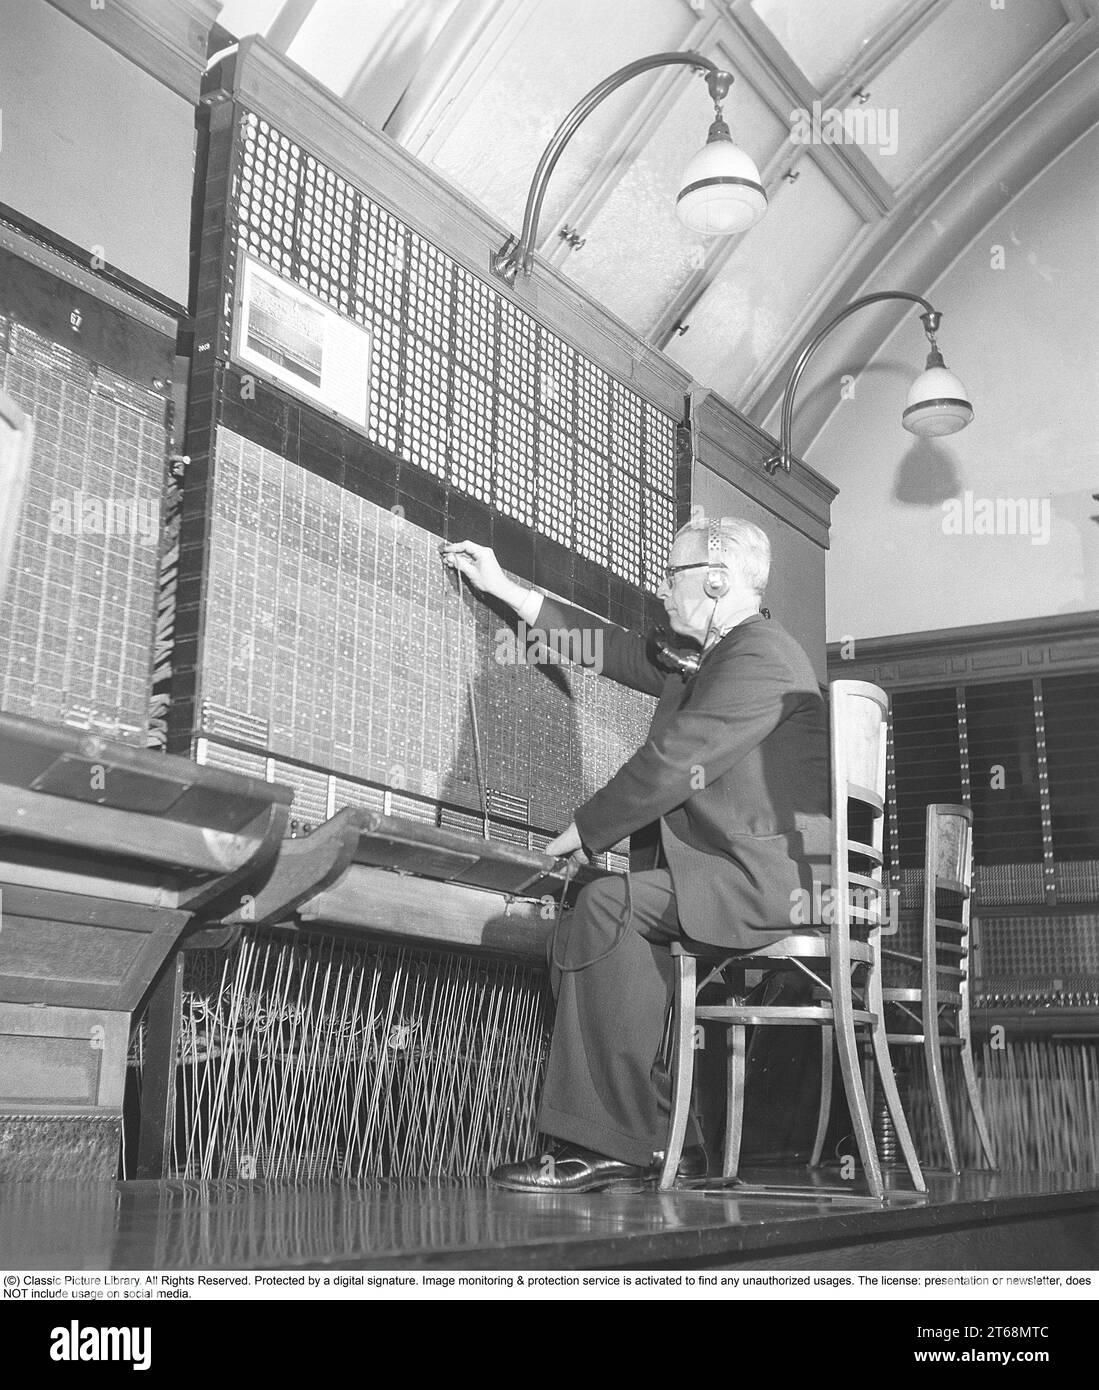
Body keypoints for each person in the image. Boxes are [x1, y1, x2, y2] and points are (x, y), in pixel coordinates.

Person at [441, 514, 830, 1192]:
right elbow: (611, 649)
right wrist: (504, 589)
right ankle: (655, 1140)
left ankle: (603, 1147)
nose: (658, 590)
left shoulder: (759, 655)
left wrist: (585, 829)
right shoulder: (710, 658)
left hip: (759, 884)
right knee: (609, 909)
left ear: (714, 578)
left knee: (607, 908)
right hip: (729, 877)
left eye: (669, 574)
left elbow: (675, 760)